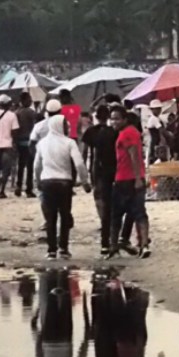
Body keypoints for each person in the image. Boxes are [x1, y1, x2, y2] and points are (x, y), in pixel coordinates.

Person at [35, 114, 91, 259]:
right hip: (64, 183)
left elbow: (37, 165)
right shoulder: (69, 143)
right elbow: (79, 163)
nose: (68, 128)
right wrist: (85, 181)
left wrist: (37, 181)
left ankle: (51, 249)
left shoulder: (42, 143)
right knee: (65, 215)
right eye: (66, 125)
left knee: (50, 217)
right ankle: (63, 248)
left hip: (47, 182)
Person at [108, 107, 151, 259]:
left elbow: (134, 156)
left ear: (125, 119)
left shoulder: (127, 134)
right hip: (129, 177)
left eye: (117, 118)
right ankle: (142, 245)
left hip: (127, 179)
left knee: (118, 214)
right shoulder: (131, 132)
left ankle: (116, 247)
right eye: (112, 118)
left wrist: (138, 178)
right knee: (137, 213)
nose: (114, 122)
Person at [83, 104, 117, 257]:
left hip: (97, 170)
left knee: (100, 200)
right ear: (109, 117)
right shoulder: (113, 132)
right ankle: (109, 239)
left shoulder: (91, 132)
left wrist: (84, 171)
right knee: (111, 204)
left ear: (96, 116)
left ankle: (105, 233)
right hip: (112, 170)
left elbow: (86, 152)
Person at [13, 92, 37, 197]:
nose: (31, 101)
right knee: (30, 166)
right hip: (29, 141)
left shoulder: (16, 113)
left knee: (21, 165)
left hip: (19, 141)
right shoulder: (31, 113)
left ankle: (18, 186)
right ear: (25, 101)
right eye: (29, 99)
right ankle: (28, 188)